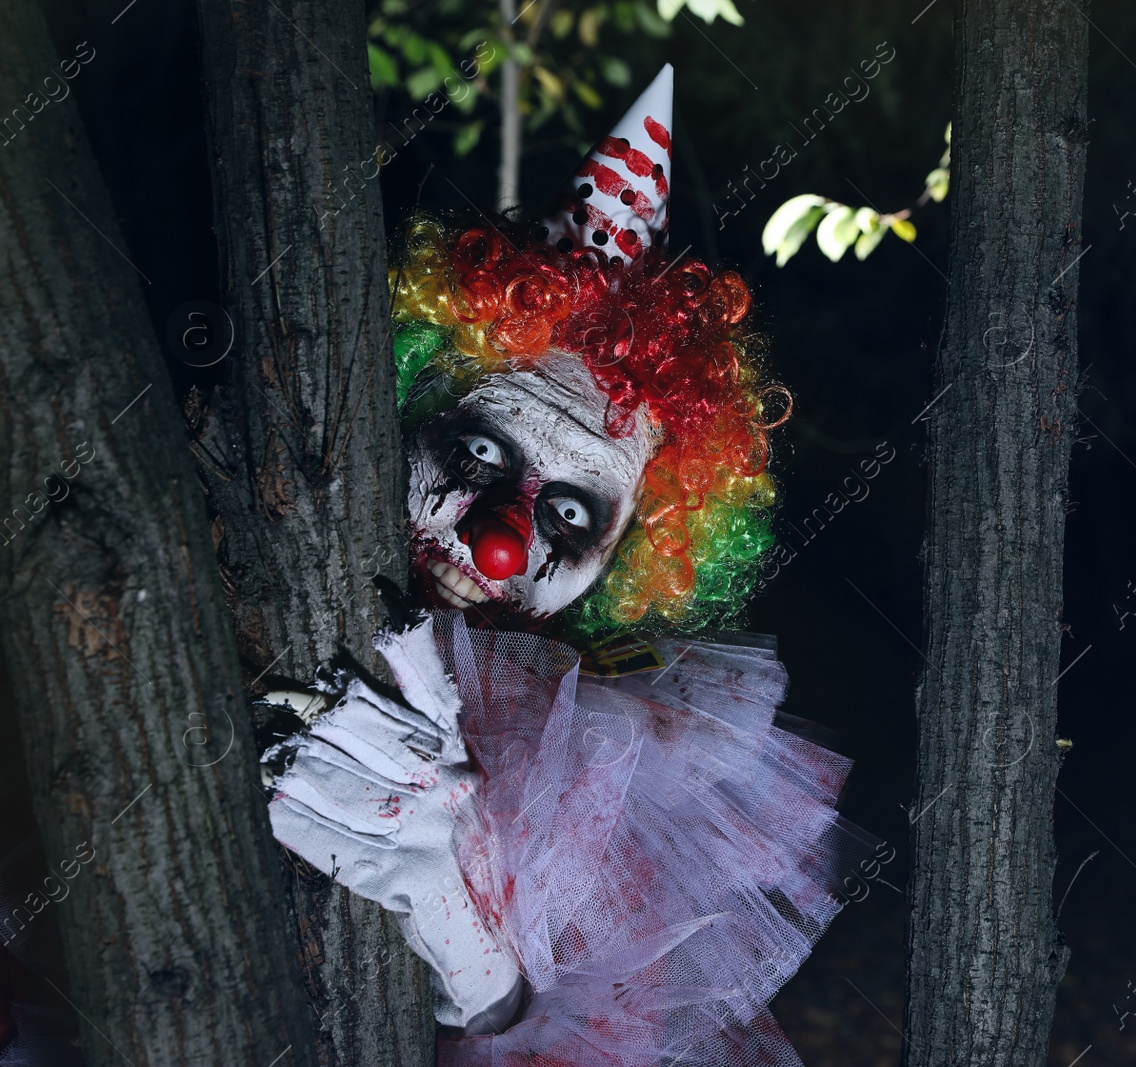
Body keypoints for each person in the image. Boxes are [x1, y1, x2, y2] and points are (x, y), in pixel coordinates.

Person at [262, 66, 877, 1067]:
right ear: (405, 398)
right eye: (475, 453)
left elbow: (578, 1029)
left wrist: (462, 926)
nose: (501, 538)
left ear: (631, 557)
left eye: (571, 510)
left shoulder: (603, 760)